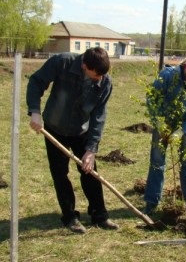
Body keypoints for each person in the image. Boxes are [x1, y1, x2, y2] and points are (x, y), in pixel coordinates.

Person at [26, 47, 119, 234]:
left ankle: (99, 215)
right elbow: (36, 81)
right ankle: (70, 216)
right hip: (55, 127)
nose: (98, 80)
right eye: (95, 77)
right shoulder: (62, 62)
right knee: (60, 173)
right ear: (84, 66)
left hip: (81, 130)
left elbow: (99, 116)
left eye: (101, 77)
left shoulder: (105, 82)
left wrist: (91, 149)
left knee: (89, 171)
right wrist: (34, 111)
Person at [143, 54, 186, 215]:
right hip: (163, 122)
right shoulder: (168, 75)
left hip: (184, 125)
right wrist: (159, 122)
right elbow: (152, 97)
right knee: (157, 161)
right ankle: (152, 202)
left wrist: (183, 131)